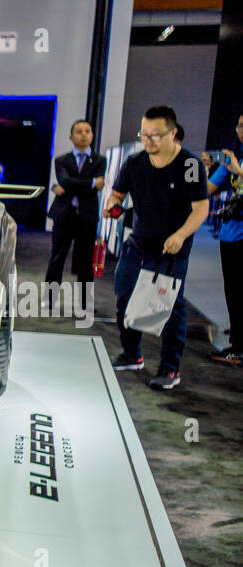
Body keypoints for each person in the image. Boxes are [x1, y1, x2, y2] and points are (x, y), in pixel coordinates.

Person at [107, 105, 210, 390]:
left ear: (173, 133)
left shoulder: (189, 165)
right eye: (144, 134)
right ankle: (132, 354)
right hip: (138, 244)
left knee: (170, 307)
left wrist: (180, 235)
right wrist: (113, 206)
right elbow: (117, 194)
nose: (148, 140)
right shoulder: (135, 163)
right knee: (124, 297)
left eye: (155, 135)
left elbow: (201, 209)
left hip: (172, 250)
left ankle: (170, 368)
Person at [46, 119, 106, 314]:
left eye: (87, 131)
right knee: (57, 259)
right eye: (79, 131)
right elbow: (64, 180)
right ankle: (49, 301)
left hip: (87, 217)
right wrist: (89, 184)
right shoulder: (61, 160)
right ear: (71, 137)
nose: (83, 135)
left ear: (92, 135)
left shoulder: (100, 161)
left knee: (85, 262)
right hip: (64, 215)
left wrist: (70, 184)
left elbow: (71, 183)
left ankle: (84, 305)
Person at [204, 114, 243, 366]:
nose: (242, 130)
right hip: (231, 234)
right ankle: (238, 341)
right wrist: (208, 168)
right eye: (240, 125)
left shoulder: (236, 164)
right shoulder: (231, 159)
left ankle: (239, 347)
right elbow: (206, 188)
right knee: (234, 290)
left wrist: (238, 172)